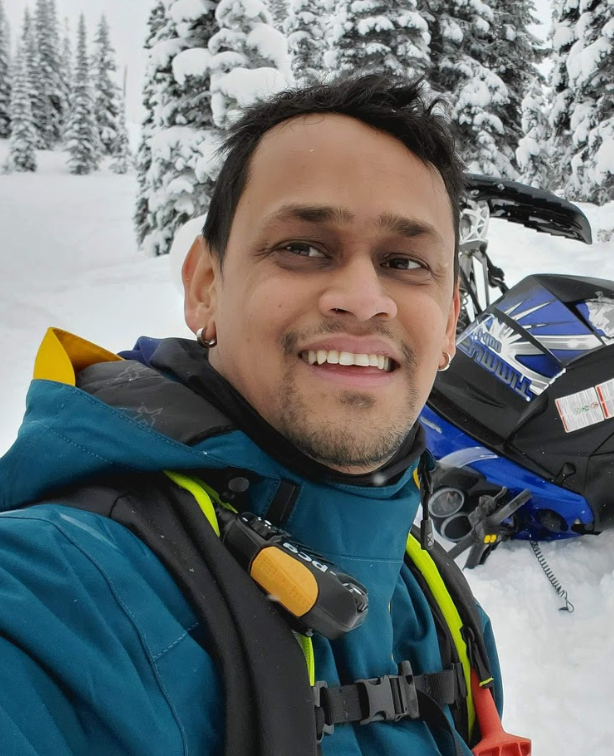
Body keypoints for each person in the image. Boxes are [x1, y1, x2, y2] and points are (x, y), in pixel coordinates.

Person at [0, 74, 513, 756]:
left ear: (450, 323)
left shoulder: (441, 608)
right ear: (206, 287)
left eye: (405, 262)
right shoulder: (65, 589)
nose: (363, 299)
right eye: (302, 247)